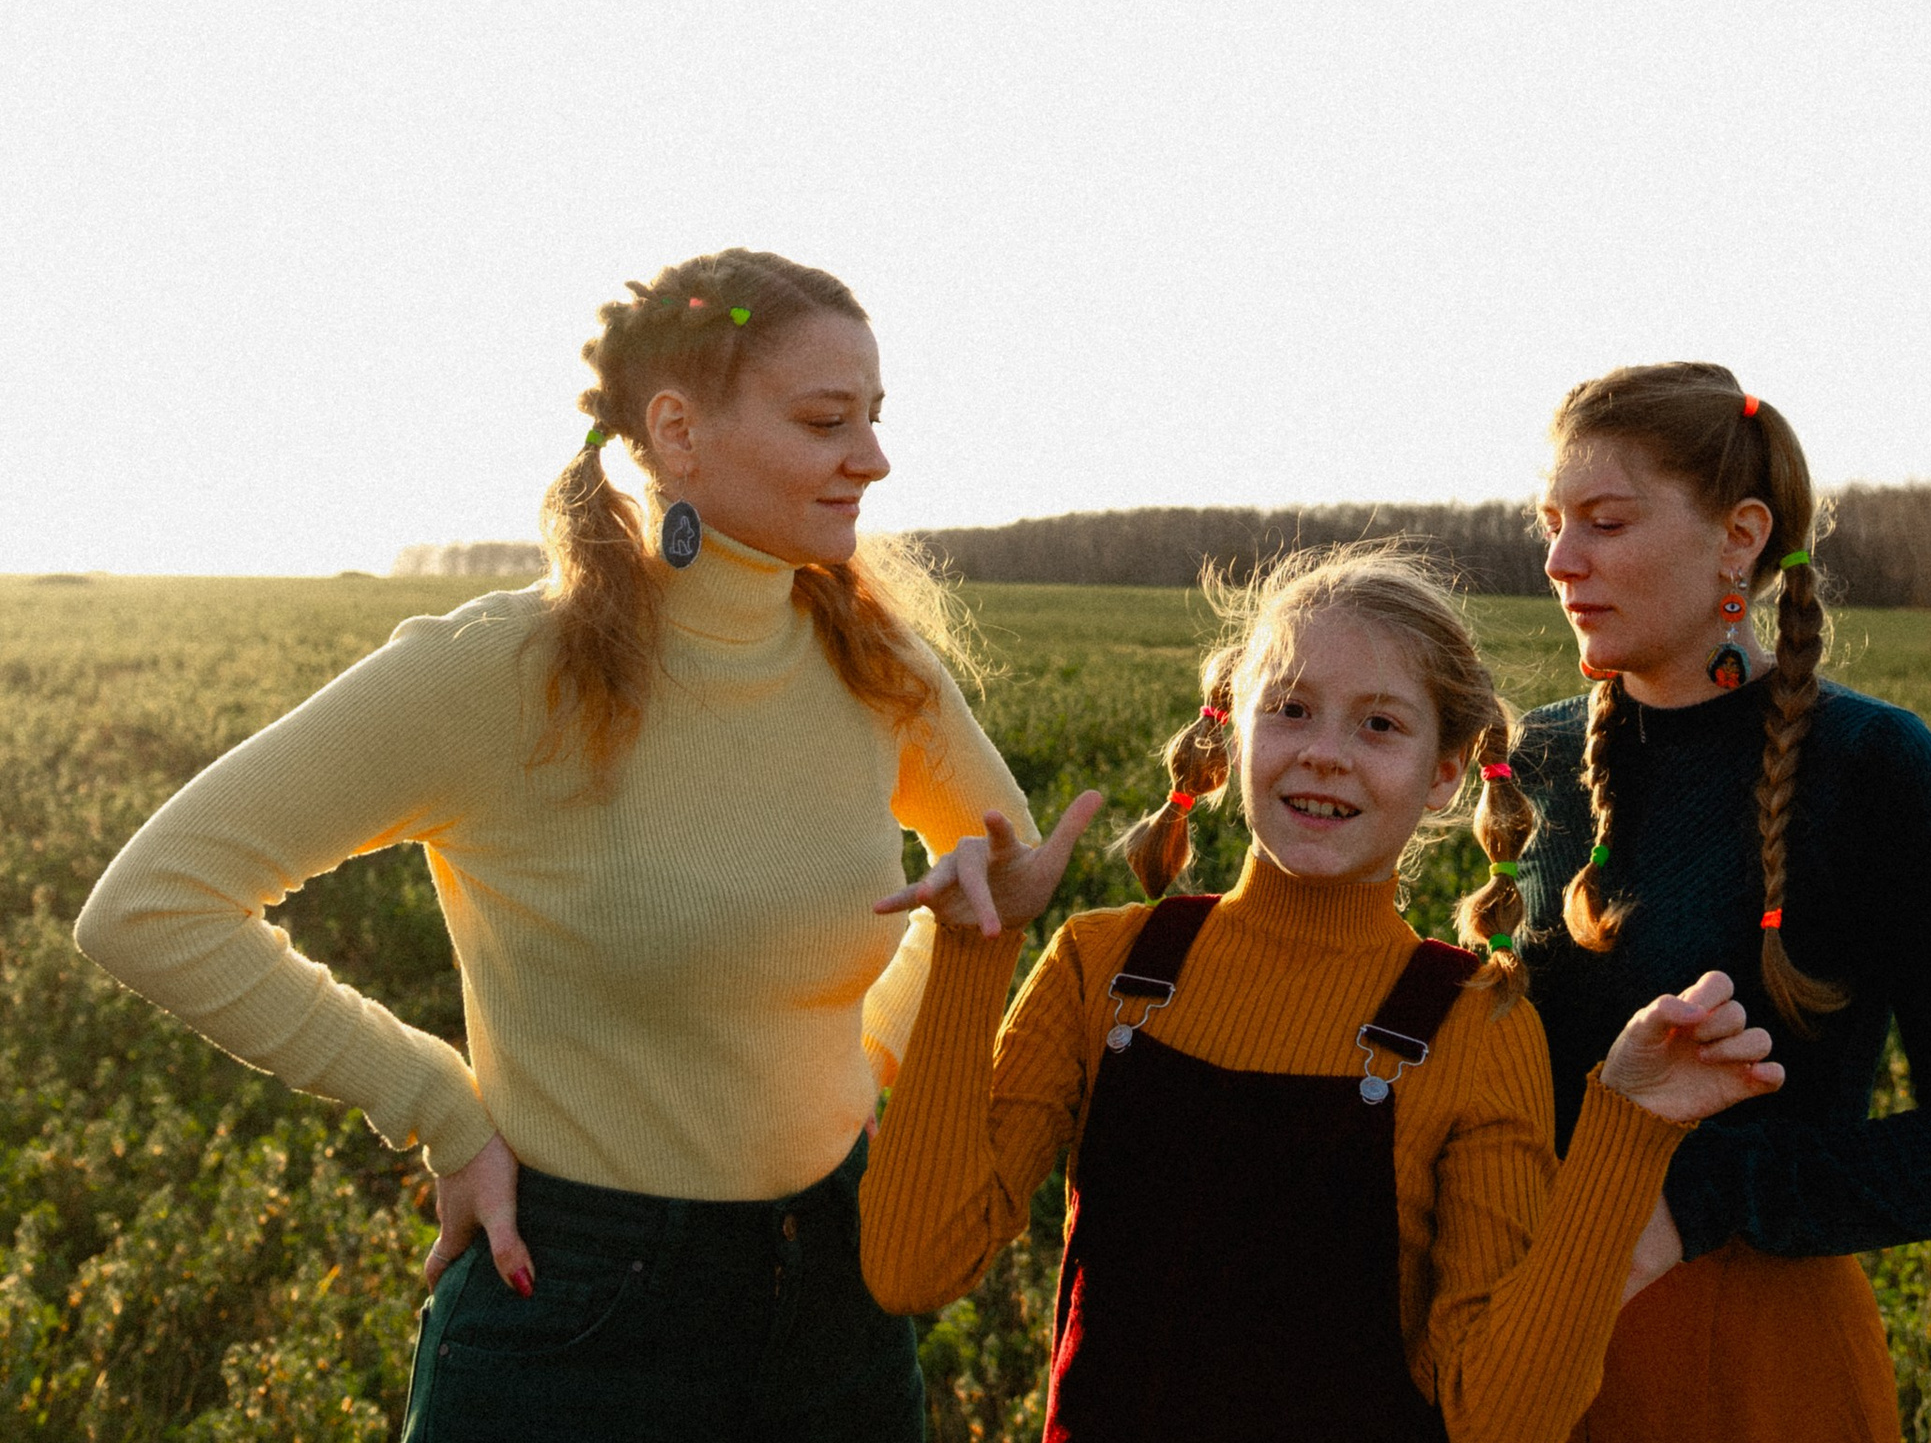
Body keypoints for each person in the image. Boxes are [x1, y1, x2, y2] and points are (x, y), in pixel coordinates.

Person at [76, 249, 1030, 1443]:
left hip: (839, 1295)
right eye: (827, 420)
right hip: (580, 1311)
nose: (874, 459)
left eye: (876, 418)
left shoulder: (875, 662)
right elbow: (154, 903)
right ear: (677, 431)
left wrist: (881, 1056)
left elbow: (1003, 862)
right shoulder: (499, 673)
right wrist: (436, 1105)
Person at [859, 543, 1788, 1443]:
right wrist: (974, 947)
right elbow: (913, 1265)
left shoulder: (1474, 1024)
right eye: (1292, 709)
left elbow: (1499, 1418)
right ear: (1232, 729)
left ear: (1444, 774)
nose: (1326, 755)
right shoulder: (1105, 966)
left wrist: (1627, 1129)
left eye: (1380, 724)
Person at [1516, 364, 1931, 1443]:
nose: (1561, 562)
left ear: (1739, 536)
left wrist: (1697, 1199)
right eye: (1551, 523)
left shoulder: (1871, 764)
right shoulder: (1537, 756)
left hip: (1751, 1367)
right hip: (1519, 1341)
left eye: (1604, 523)